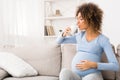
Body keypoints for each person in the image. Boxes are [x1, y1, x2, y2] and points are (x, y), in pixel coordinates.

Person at [56, 2, 119, 80]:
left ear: (91, 20)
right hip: (77, 76)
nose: (77, 22)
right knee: (64, 72)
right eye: (77, 19)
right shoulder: (79, 36)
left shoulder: (103, 40)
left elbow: (115, 66)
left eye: (81, 19)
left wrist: (93, 64)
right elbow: (59, 41)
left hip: (93, 76)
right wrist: (63, 34)